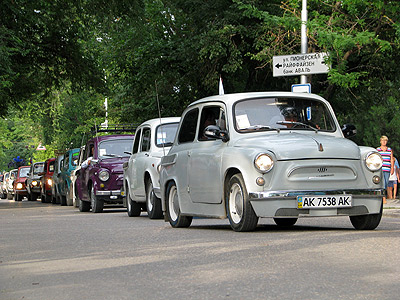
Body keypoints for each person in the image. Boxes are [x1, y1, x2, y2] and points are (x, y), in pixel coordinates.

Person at [376, 135, 393, 204]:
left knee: (385, 183)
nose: (384, 142)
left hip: (387, 169)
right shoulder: (378, 149)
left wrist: (392, 168)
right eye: (383, 140)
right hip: (380, 169)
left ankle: (382, 195)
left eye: (385, 141)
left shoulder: (389, 150)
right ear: (380, 141)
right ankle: (383, 197)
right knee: (381, 183)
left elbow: (391, 159)